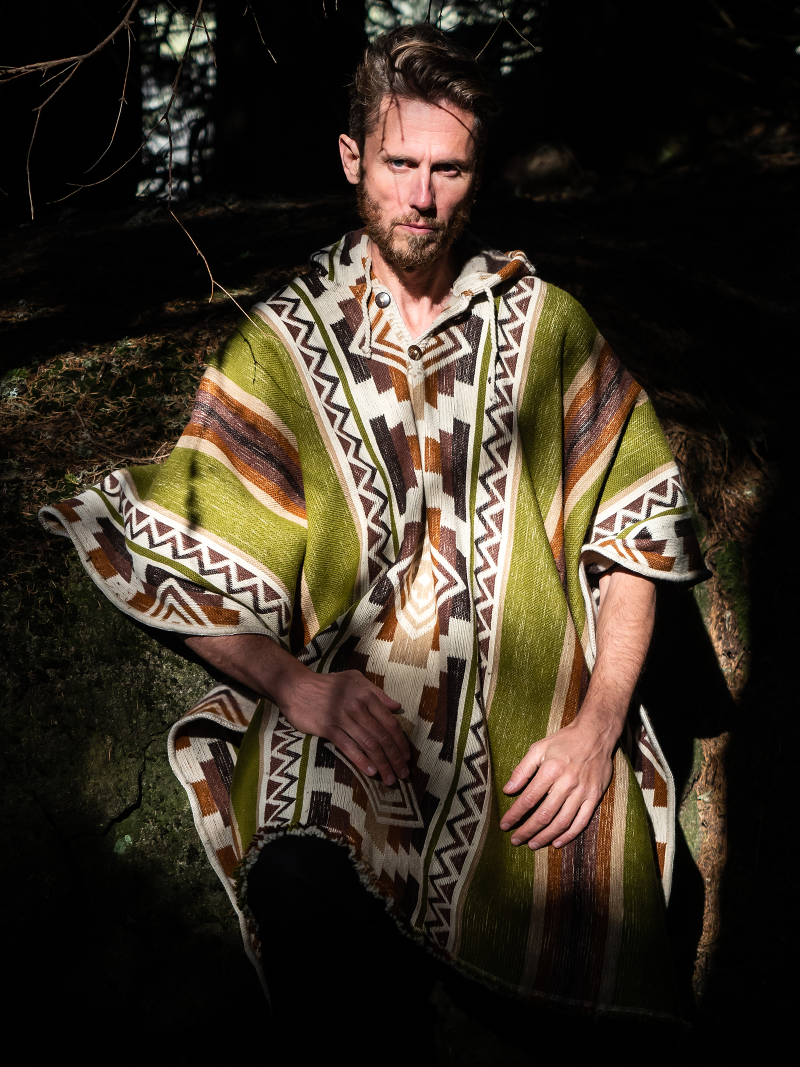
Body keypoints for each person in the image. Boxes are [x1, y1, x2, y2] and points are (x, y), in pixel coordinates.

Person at [40, 23, 705, 1048]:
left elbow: (636, 531)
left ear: (478, 172)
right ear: (353, 158)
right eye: (400, 164)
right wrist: (297, 688)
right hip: (359, 721)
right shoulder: (285, 342)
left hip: (529, 724)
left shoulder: (548, 326)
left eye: (448, 169)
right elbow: (188, 556)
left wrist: (597, 724)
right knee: (300, 872)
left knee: (581, 909)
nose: (422, 196)